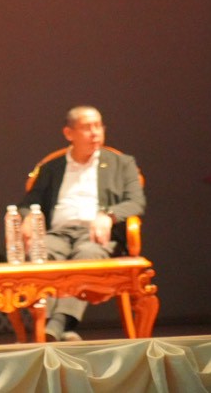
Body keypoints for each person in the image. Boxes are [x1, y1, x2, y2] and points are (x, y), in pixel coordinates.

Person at [19, 105, 145, 342]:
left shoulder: (122, 163)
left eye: (98, 126)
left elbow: (136, 202)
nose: (95, 133)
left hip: (95, 235)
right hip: (58, 233)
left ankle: (54, 327)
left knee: (86, 255)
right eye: (87, 128)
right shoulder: (51, 168)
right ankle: (60, 328)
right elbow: (29, 203)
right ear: (69, 133)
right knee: (40, 253)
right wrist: (27, 218)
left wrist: (108, 215)